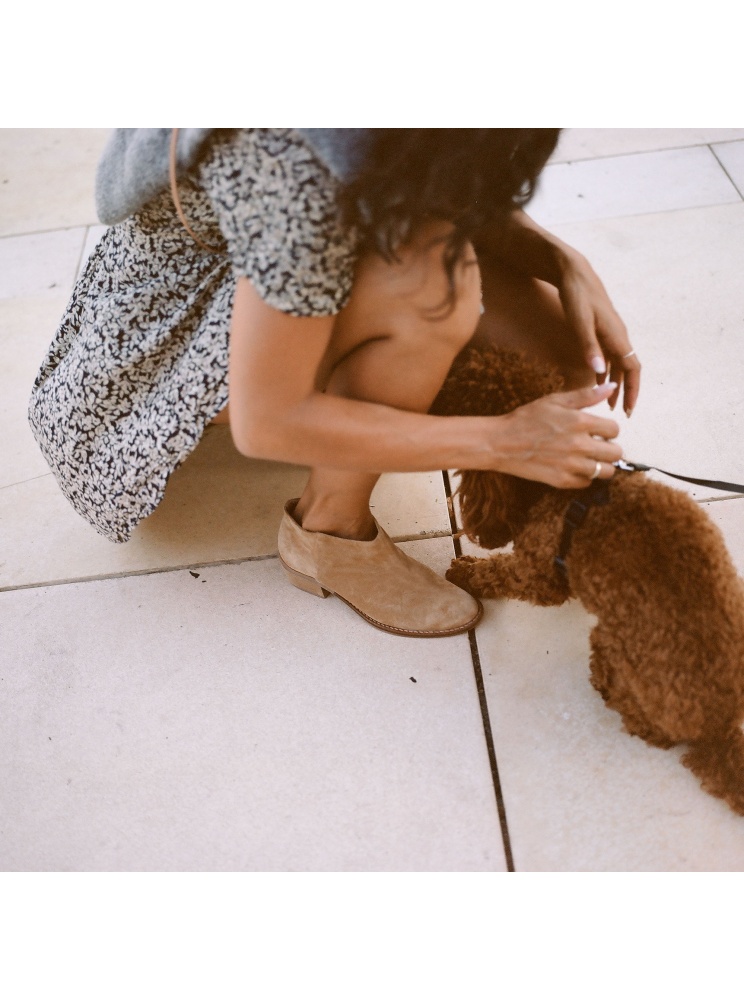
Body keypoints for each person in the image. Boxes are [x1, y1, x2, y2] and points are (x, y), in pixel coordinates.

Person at [28, 128, 640, 638]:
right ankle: (330, 532)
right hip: (150, 357)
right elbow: (268, 420)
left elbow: (440, 167)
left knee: (560, 358)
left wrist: (565, 263)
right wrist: (503, 441)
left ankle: (379, 381)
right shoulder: (289, 161)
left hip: (274, 254)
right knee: (431, 287)